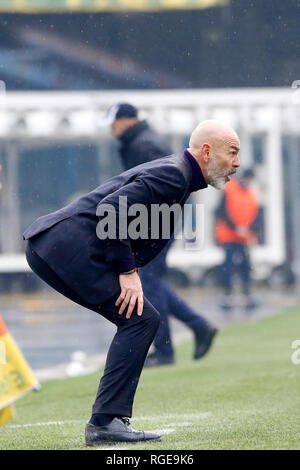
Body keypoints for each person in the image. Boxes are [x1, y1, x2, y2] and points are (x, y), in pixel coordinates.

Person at [23, 119, 240, 446]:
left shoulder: (178, 174)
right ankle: (106, 422)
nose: (237, 163)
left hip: (56, 245)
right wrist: (127, 272)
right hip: (61, 247)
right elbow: (113, 208)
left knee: (142, 318)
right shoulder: (174, 174)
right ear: (206, 152)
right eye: (232, 153)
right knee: (141, 318)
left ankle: (107, 420)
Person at [102, 102, 217, 367]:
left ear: (126, 120)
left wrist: (140, 228)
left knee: (148, 283)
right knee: (152, 282)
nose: (111, 129)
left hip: (155, 222)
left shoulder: (144, 145)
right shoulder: (143, 141)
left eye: (113, 122)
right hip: (158, 220)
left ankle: (165, 351)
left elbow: (152, 189)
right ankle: (198, 326)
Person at [215, 169, 258, 310]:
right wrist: (236, 228)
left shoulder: (252, 196)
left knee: (246, 266)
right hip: (229, 236)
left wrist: (248, 230)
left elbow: (256, 217)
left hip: (244, 238)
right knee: (228, 267)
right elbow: (222, 212)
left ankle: (247, 294)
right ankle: (227, 296)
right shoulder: (229, 190)